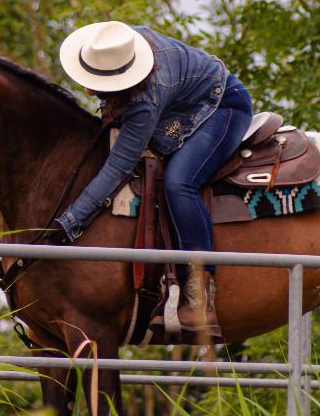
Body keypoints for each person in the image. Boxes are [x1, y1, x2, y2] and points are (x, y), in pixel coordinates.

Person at [49, 21, 253, 340]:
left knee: (178, 183)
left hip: (220, 105)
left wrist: (72, 219)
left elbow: (118, 167)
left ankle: (199, 289)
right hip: (180, 101)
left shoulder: (145, 100)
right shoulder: (117, 45)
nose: (89, 90)